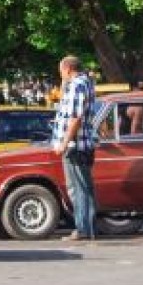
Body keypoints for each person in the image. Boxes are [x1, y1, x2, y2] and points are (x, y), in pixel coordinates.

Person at [50, 55, 98, 243]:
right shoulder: (84, 83)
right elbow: (64, 103)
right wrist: (63, 82)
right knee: (81, 188)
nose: (60, 74)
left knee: (79, 189)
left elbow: (75, 118)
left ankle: (83, 228)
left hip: (76, 145)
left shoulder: (78, 85)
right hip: (80, 144)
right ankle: (87, 227)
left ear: (68, 69)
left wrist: (64, 143)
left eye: (61, 71)